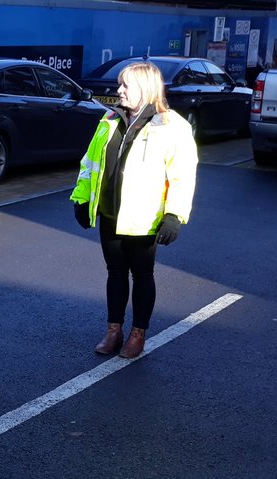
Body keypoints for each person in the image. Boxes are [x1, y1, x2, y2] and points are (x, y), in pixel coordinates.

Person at [71, 61, 198, 359]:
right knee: (115, 273)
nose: (119, 90)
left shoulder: (172, 127)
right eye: (120, 84)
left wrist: (174, 215)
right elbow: (89, 164)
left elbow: (182, 175)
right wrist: (81, 199)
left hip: (145, 219)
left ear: (146, 89)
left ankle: (137, 335)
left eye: (126, 85)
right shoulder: (109, 120)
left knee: (142, 275)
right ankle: (113, 332)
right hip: (110, 213)